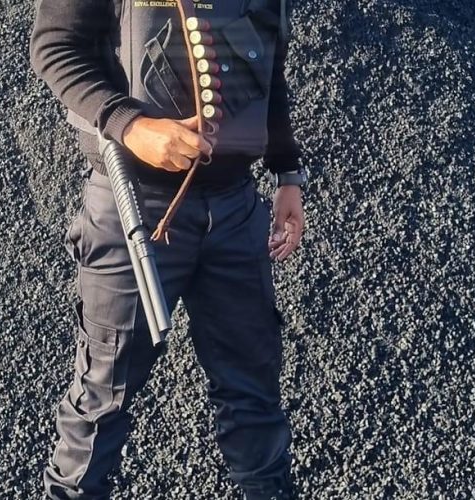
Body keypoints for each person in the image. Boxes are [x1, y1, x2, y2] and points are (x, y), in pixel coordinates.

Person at [30, 0, 307, 498]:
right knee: (103, 398)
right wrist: (130, 124)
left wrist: (288, 172)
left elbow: (269, 65)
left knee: (254, 394)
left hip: (237, 207)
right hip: (133, 207)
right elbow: (54, 45)